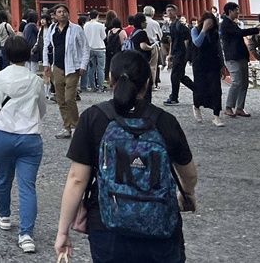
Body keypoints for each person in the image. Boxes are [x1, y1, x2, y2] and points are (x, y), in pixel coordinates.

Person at [54, 50, 197, 263]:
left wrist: (63, 231)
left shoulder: (93, 118)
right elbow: (188, 173)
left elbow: (77, 178)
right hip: (160, 226)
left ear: (110, 78)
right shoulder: (165, 121)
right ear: (147, 82)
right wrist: (187, 193)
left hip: (108, 226)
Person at [0, 35, 49, 254]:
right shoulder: (35, 80)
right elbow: (42, 110)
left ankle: (4, 215)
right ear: (27, 55)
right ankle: (26, 235)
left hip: (4, 135)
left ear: (6, 55)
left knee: (3, 177)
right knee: (27, 186)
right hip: (29, 137)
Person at [43, 5, 89, 139]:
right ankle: (66, 126)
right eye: (59, 12)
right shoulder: (52, 29)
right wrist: (46, 64)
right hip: (57, 67)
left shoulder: (76, 29)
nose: (62, 14)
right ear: (54, 15)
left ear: (68, 14)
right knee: (60, 99)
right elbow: (46, 46)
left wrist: (83, 64)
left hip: (72, 67)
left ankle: (76, 126)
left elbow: (85, 47)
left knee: (70, 98)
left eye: (64, 12)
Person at [220, 2, 260, 118]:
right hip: (232, 57)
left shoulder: (233, 23)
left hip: (241, 56)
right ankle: (229, 106)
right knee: (237, 82)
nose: (238, 12)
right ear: (230, 11)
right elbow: (239, 33)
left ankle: (240, 107)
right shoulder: (225, 24)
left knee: (244, 83)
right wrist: (256, 29)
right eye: (236, 10)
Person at [188, 12, 227, 127]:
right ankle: (196, 106)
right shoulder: (195, 30)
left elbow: (219, 49)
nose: (209, 24)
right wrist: (204, 30)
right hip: (200, 63)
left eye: (211, 22)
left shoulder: (215, 33)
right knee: (200, 87)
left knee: (216, 89)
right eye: (207, 22)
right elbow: (197, 43)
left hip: (213, 62)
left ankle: (216, 116)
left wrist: (222, 65)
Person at [163, 12, 192, 106]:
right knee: (180, 76)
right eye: (168, 10)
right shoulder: (172, 26)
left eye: (171, 10)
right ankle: (199, 91)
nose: (169, 12)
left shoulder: (181, 26)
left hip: (181, 53)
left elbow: (186, 41)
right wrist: (170, 54)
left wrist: (187, 55)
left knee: (175, 75)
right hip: (176, 53)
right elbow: (172, 41)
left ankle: (174, 97)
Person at [82, 11, 107, 92]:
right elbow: (103, 37)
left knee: (91, 68)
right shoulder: (100, 25)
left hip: (90, 48)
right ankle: (100, 86)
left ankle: (92, 86)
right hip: (100, 48)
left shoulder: (86, 25)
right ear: (97, 16)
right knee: (100, 68)